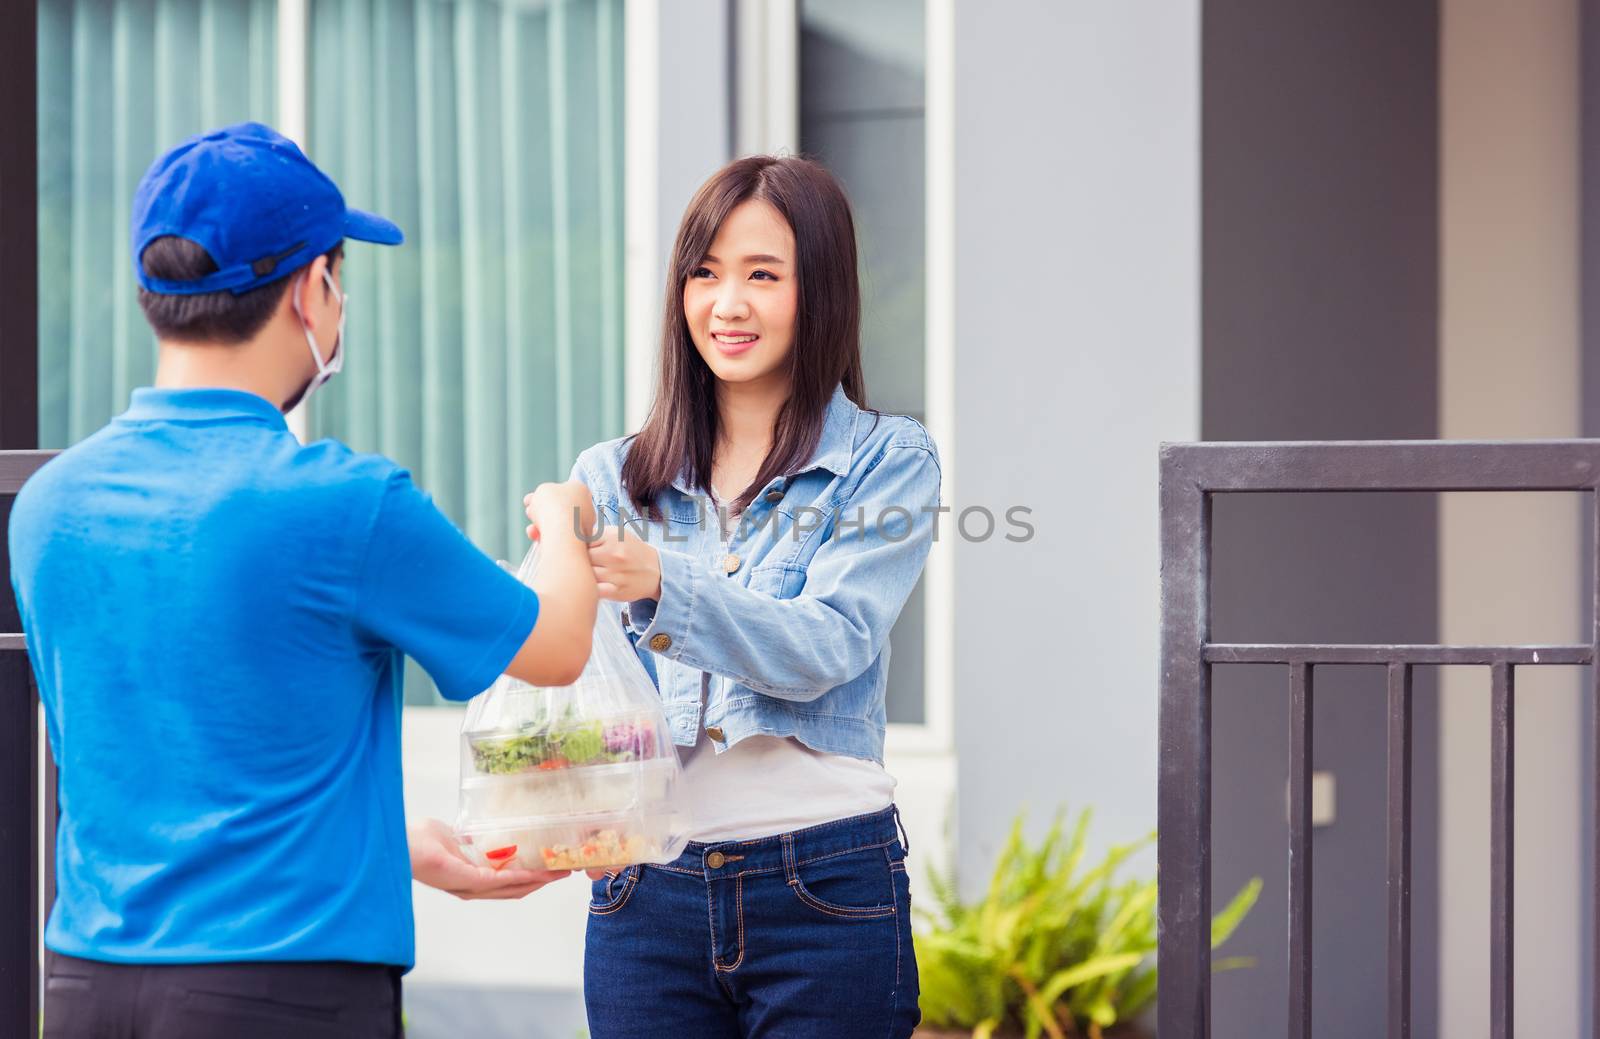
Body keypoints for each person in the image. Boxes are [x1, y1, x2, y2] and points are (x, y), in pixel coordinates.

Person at [9, 122, 598, 1038]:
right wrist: (567, 516)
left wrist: (388, 846)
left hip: (88, 986)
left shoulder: (47, 506)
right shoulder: (346, 503)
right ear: (311, 289)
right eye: (339, 277)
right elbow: (557, 646)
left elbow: (170, 760)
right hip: (281, 990)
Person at [552, 155, 940, 1038]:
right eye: (705, 273)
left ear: (822, 291)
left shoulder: (891, 461)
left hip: (824, 888)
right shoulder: (609, 475)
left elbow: (829, 644)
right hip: (643, 894)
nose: (727, 305)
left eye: (762, 275)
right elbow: (574, 672)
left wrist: (664, 583)